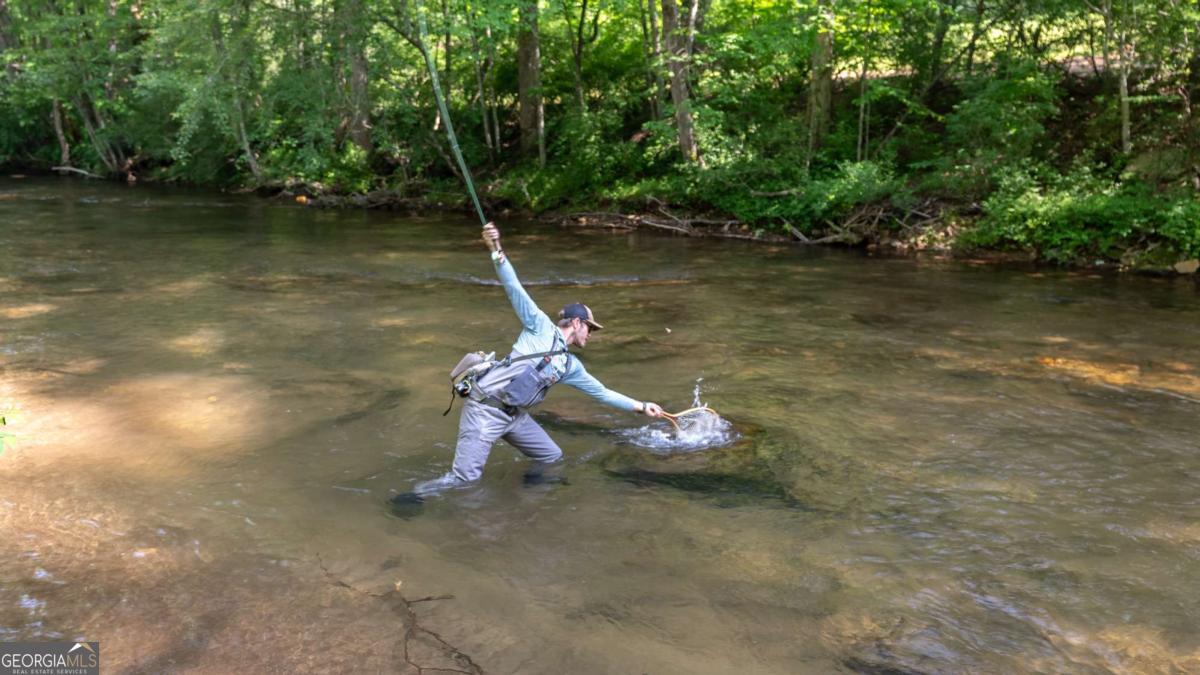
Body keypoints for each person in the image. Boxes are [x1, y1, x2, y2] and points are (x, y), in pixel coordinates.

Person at [405, 223, 664, 498]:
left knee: (551, 456)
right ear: (576, 323)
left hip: (515, 416)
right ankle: (414, 495)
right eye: (590, 328)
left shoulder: (570, 366)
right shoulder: (539, 326)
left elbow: (602, 393)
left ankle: (529, 493)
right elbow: (513, 287)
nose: (591, 334)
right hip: (485, 410)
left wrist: (642, 406)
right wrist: (496, 250)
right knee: (464, 480)